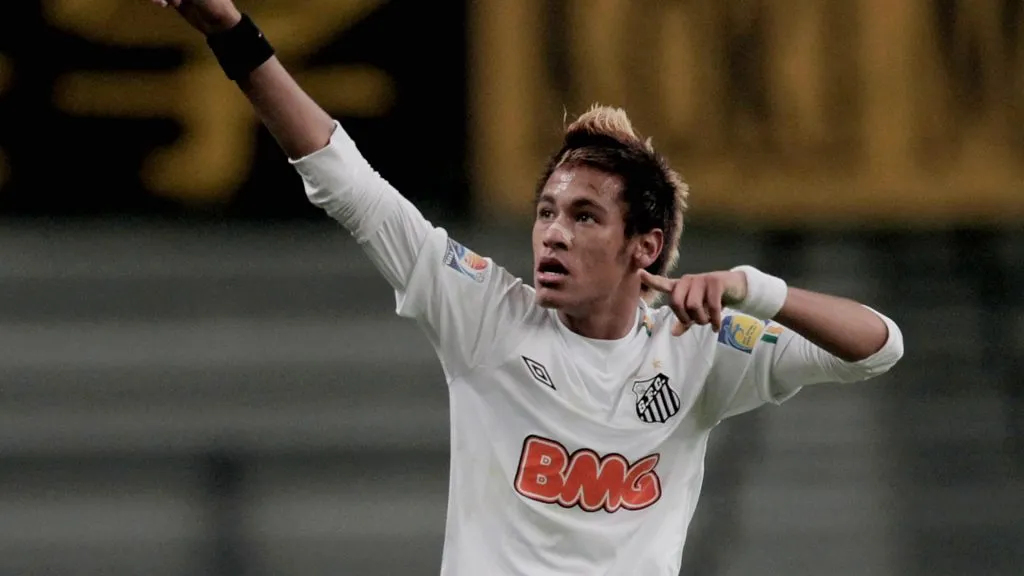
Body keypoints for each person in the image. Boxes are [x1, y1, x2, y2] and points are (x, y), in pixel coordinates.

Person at [150, 2, 905, 574]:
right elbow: (343, 178)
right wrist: (229, 27)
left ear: (642, 247)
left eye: (583, 216)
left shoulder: (700, 347)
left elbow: (877, 347)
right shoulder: (483, 314)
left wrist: (755, 289)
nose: (552, 233)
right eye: (547, 212)